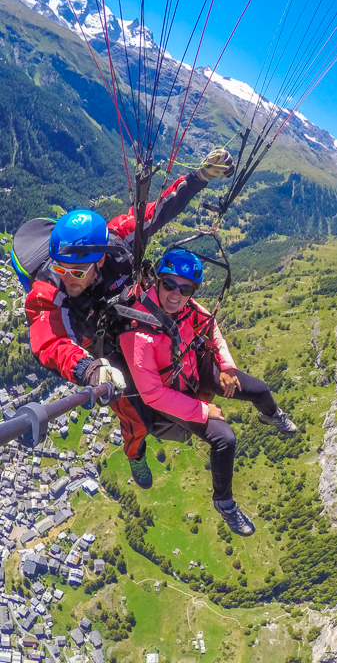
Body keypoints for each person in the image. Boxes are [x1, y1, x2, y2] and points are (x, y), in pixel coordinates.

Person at [16, 150, 234, 453]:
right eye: (60, 267)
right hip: (103, 344)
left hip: (132, 314)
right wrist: (89, 369)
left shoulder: (118, 244)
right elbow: (49, 341)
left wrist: (198, 178)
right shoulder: (48, 291)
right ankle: (135, 452)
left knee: (182, 351)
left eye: (77, 271)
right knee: (133, 410)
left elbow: (156, 212)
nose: (67, 277)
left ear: (100, 259)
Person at [119, 249, 297, 536]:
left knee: (260, 389)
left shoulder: (188, 309)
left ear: (192, 291)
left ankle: (272, 415)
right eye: (169, 285)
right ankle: (225, 503)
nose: (175, 294)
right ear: (157, 283)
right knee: (225, 439)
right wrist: (202, 410)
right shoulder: (139, 332)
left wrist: (226, 366)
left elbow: (211, 327)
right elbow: (152, 394)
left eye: (185, 288)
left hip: (194, 370)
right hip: (170, 395)